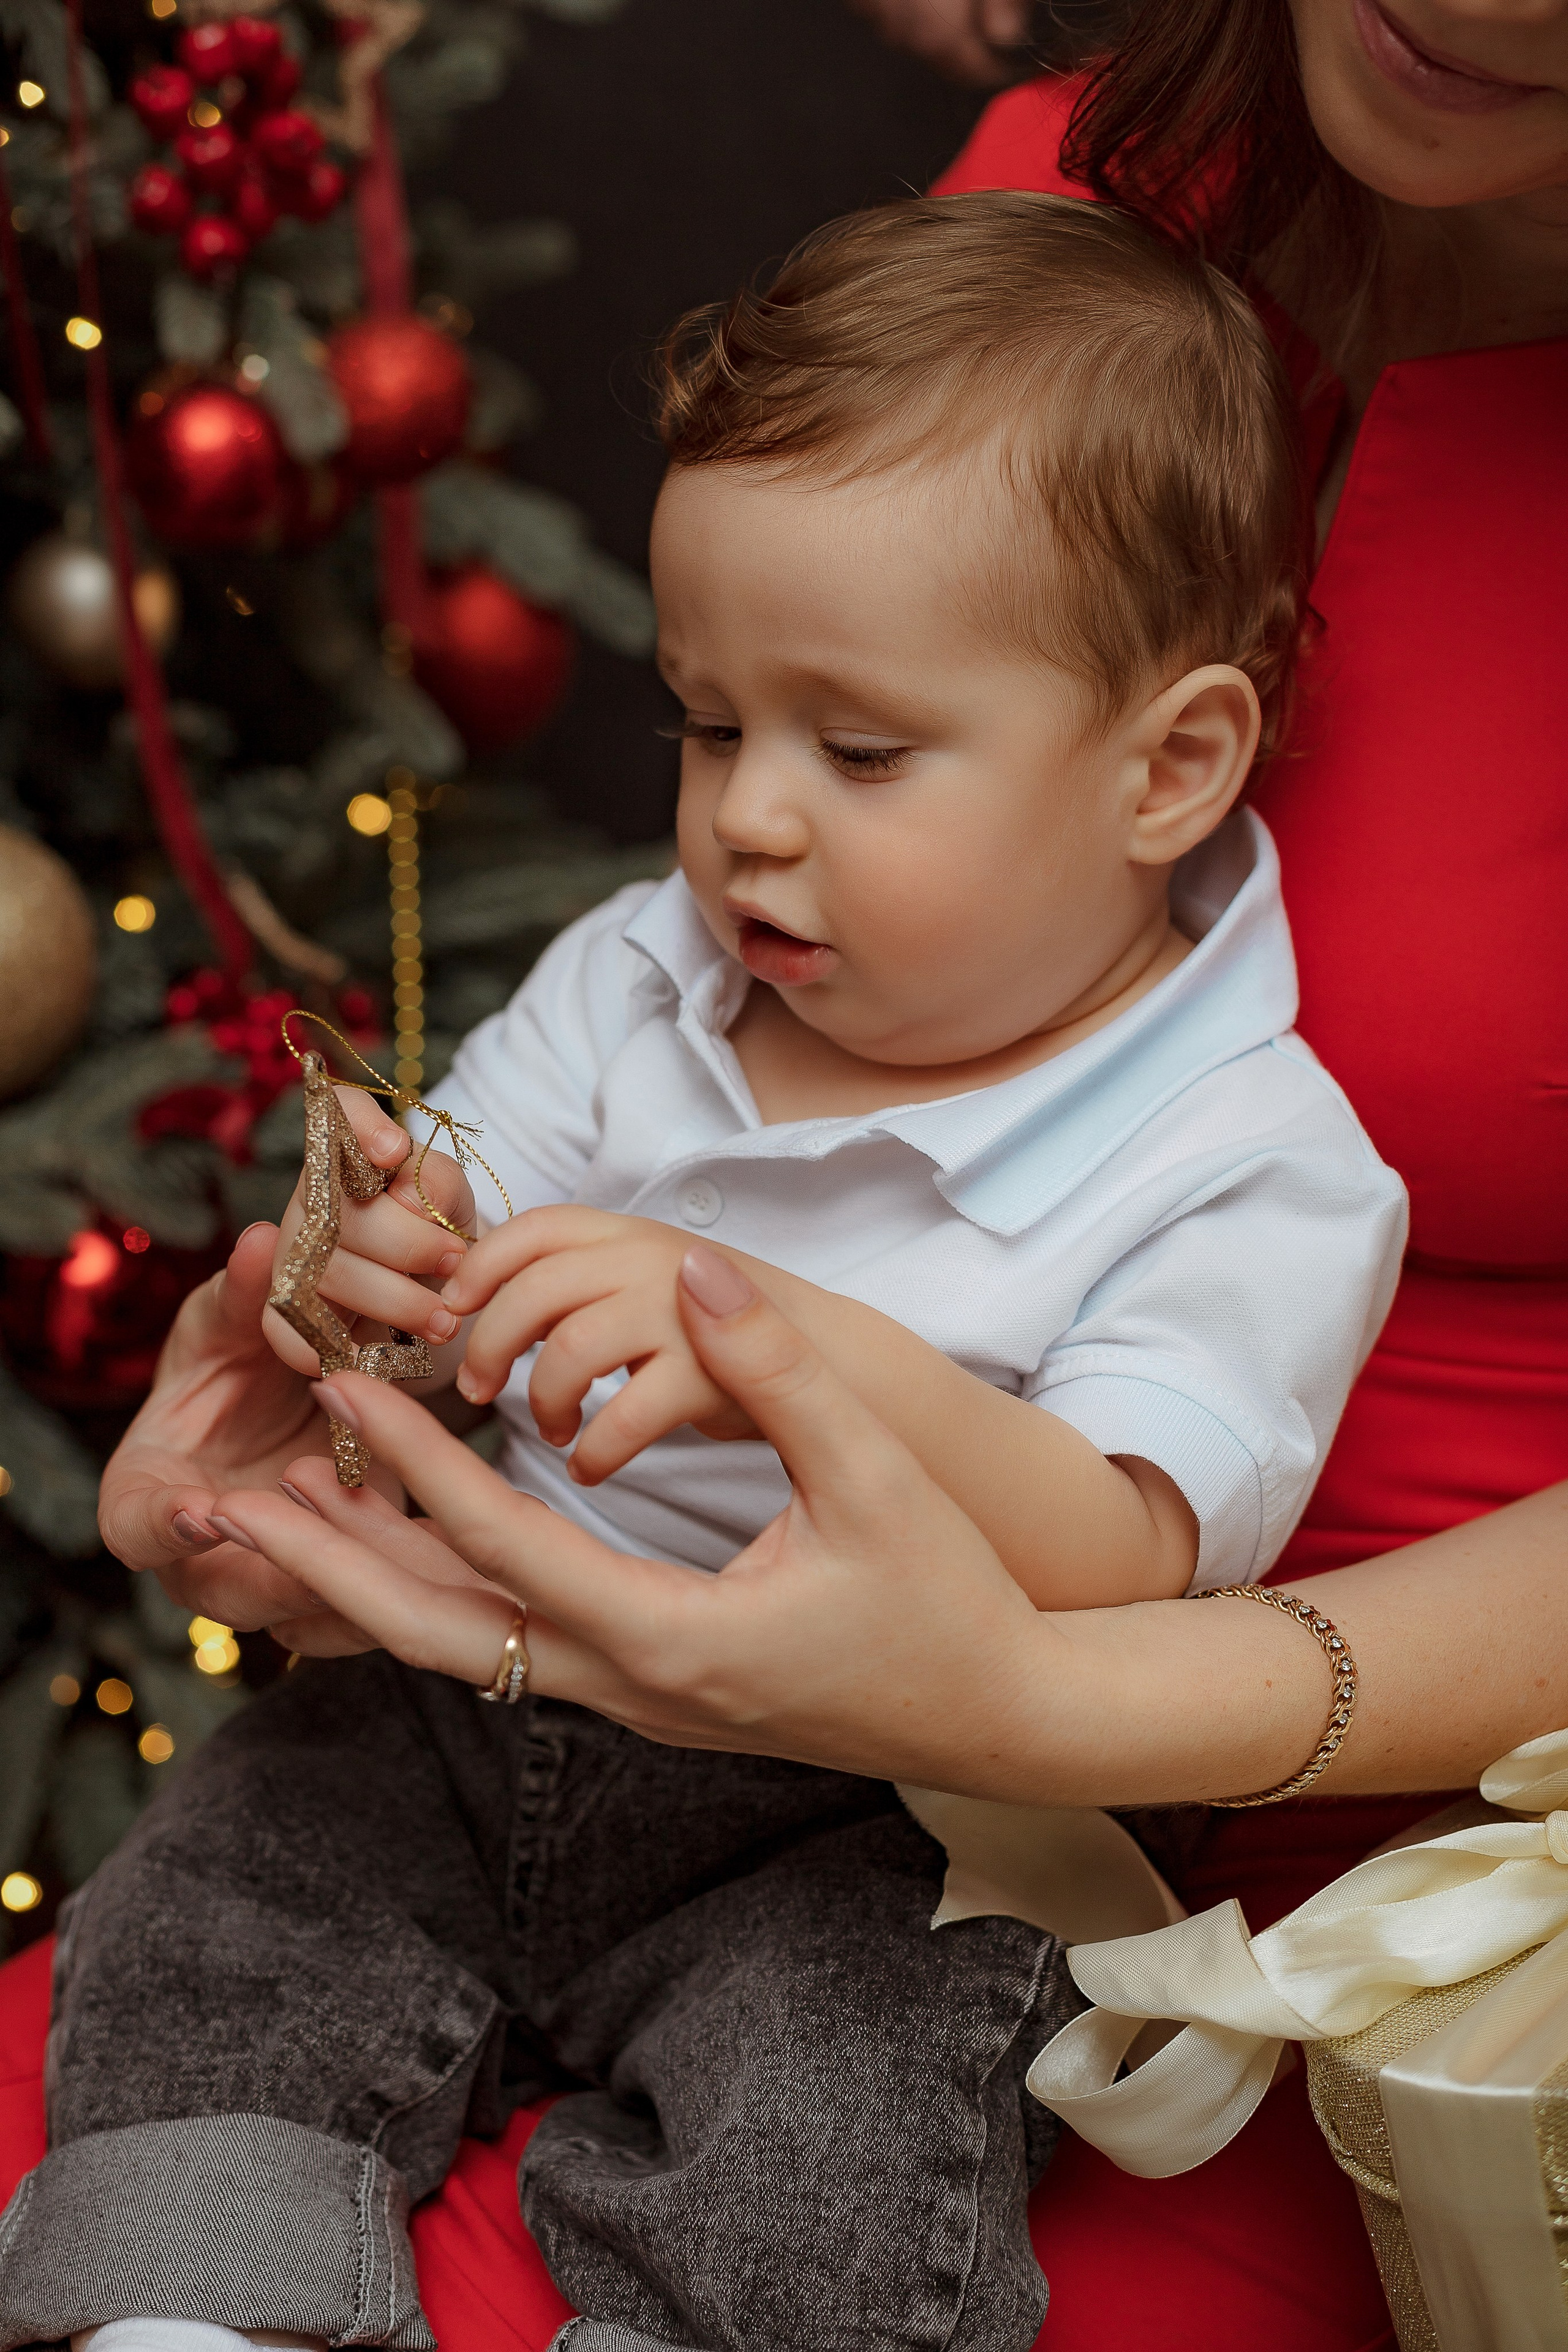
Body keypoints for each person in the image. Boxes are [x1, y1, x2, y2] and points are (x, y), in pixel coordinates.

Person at [4, 1, 1566, 2345]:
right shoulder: (663, 962)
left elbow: (1136, 1540)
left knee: (849, 2110)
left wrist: (783, 1359)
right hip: (481, 1699)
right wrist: (374, 1272)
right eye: (714, 721)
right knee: (215, 1917)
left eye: (855, 748)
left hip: (902, 1800)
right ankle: (190, 2300)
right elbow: (467, 1180)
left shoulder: (1253, 1156)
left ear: (1174, 770)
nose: (744, 814)